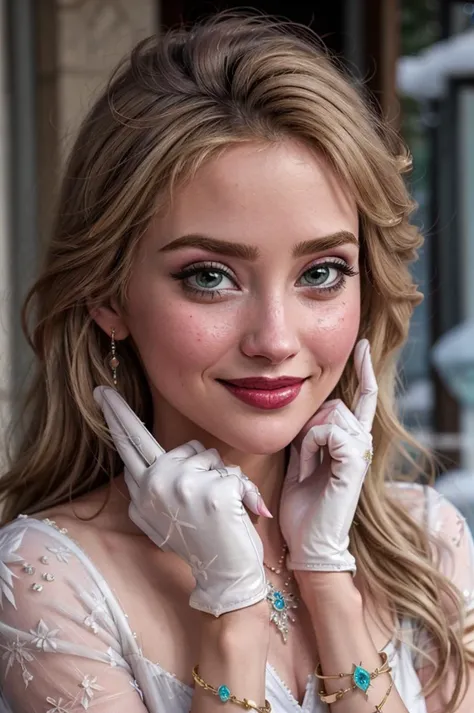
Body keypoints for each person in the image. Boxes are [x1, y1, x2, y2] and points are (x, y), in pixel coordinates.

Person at [0, 10, 472, 713]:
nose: (275, 339)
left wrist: (327, 575)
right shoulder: (45, 577)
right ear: (107, 296)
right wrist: (229, 604)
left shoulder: (428, 541)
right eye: (210, 275)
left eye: (321, 272)